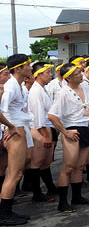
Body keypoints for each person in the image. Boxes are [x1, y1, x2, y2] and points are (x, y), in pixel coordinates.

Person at [48, 63, 89, 212]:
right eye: (77, 73)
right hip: (72, 129)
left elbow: (86, 108)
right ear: (69, 77)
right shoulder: (63, 93)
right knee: (68, 167)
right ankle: (63, 202)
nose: (81, 75)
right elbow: (52, 115)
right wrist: (65, 132)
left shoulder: (83, 88)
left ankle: (77, 196)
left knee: (80, 165)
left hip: (83, 128)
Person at [0, 55, 34, 226]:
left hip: (20, 126)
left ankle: (6, 210)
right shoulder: (11, 86)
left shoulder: (19, 85)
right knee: (14, 174)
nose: (30, 67)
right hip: (16, 129)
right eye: (27, 65)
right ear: (18, 68)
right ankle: (4, 213)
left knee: (15, 172)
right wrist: (9, 128)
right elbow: (2, 110)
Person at [26, 62, 57, 203]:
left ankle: (50, 187)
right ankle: (36, 193)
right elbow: (38, 114)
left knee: (46, 161)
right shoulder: (36, 90)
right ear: (38, 75)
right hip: (40, 128)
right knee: (37, 162)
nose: (50, 75)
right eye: (48, 73)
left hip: (47, 126)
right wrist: (44, 134)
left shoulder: (43, 88)